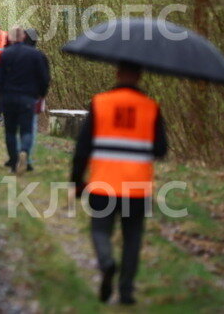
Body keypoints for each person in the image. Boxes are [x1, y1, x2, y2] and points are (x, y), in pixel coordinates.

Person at [70, 62, 167, 305]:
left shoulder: (100, 102)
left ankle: (106, 263)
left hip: (104, 184)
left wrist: (77, 180)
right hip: (137, 187)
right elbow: (161, 149)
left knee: (100, 230)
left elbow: (82, 148)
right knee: (132, 239)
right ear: (140, 76)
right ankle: (126, 292)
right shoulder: (151, 107)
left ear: (117, 74)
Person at [0, 26, 51, 173]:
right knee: (27, 130)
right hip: (28, 99)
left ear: (10, 38)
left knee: (10, 131)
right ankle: (24, 151)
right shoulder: (36, 55)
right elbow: (44, 78)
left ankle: (13, 161)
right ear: (23, 37)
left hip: (8, 98)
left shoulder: (5, 55)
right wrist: (41, 94)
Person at [20, 28, 50, 169]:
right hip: (32, 97)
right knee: (31, 127)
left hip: (14, 96)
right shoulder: (40, 56)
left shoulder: (13, 53)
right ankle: (26, 155)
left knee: (16, 127)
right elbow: (45, 79)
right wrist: (42, 94)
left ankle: (17, 155)